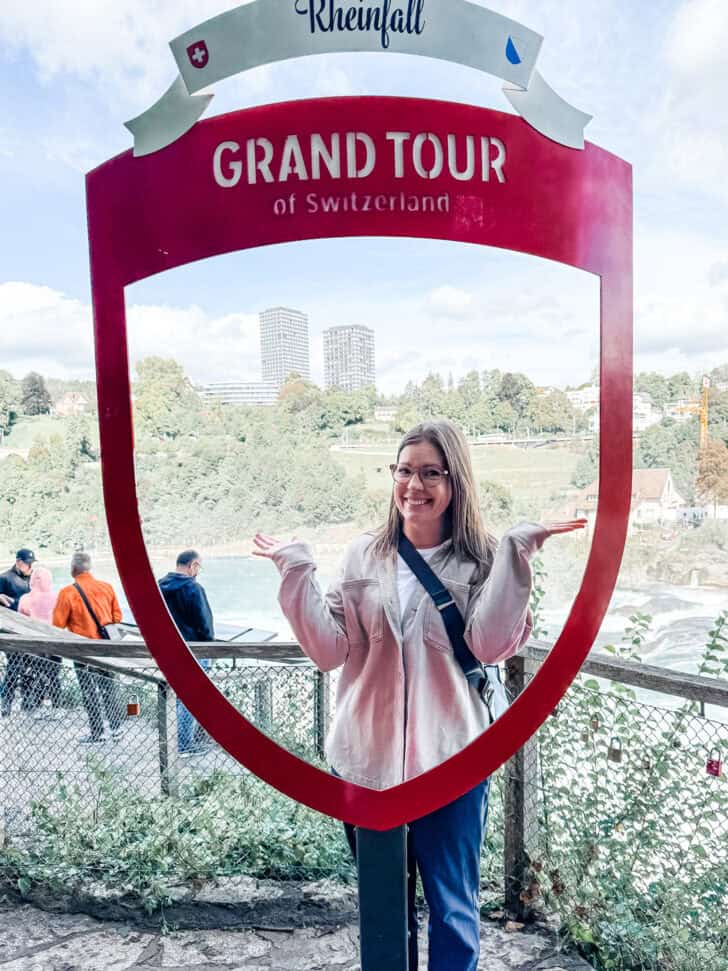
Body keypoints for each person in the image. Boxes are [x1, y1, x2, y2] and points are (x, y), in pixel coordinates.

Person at [253, 419, 585, 971]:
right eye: (404, 471)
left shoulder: (479, 560)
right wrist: (296, 569)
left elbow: (490, 645)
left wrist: (515, 554)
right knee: (385, 906)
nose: (414, 485)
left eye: (431, 473)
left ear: (455, 481)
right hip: (366, 761)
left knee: (453, 909)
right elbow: (329, 651)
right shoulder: (363, 555)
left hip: (452, 759)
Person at [52, 552, 125, 743]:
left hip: (83, 651)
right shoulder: (107, 587)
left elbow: (58, 625)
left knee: (89, 690)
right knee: (109, 687)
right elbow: (117, 617)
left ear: (73, 569)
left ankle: (97, 732)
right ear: (89, 567)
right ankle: (116, 728)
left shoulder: (67, 593)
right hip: (106, 648)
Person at [159, 550, 215, 755]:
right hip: (194, 650)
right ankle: (184, 745)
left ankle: (173, 741)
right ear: (192, 565)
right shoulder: (193, 588)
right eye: (199, 566)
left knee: (175, 696)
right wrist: (209, 646)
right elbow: (204, 624)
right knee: (191, 698)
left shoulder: (159, 586)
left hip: (168, 651)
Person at [18, 566, 62, 713]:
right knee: (54, 676)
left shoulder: (25, 599)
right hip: (54, 645)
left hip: (32, 646)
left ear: (32, 581)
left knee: (31, 675)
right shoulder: (56, 598)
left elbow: (21, 624)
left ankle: (31, 706)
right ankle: (56, 706)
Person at [0, 548, 36, 717]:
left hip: (30, 630)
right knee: (15, 666)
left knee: (30, 665)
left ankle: (27, 701)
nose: (30, 567)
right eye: (28, 564)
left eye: (32, 564)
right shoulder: (4, 578)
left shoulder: (33, 578)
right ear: (19, 562)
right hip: (10, 631)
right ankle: (6, 702)